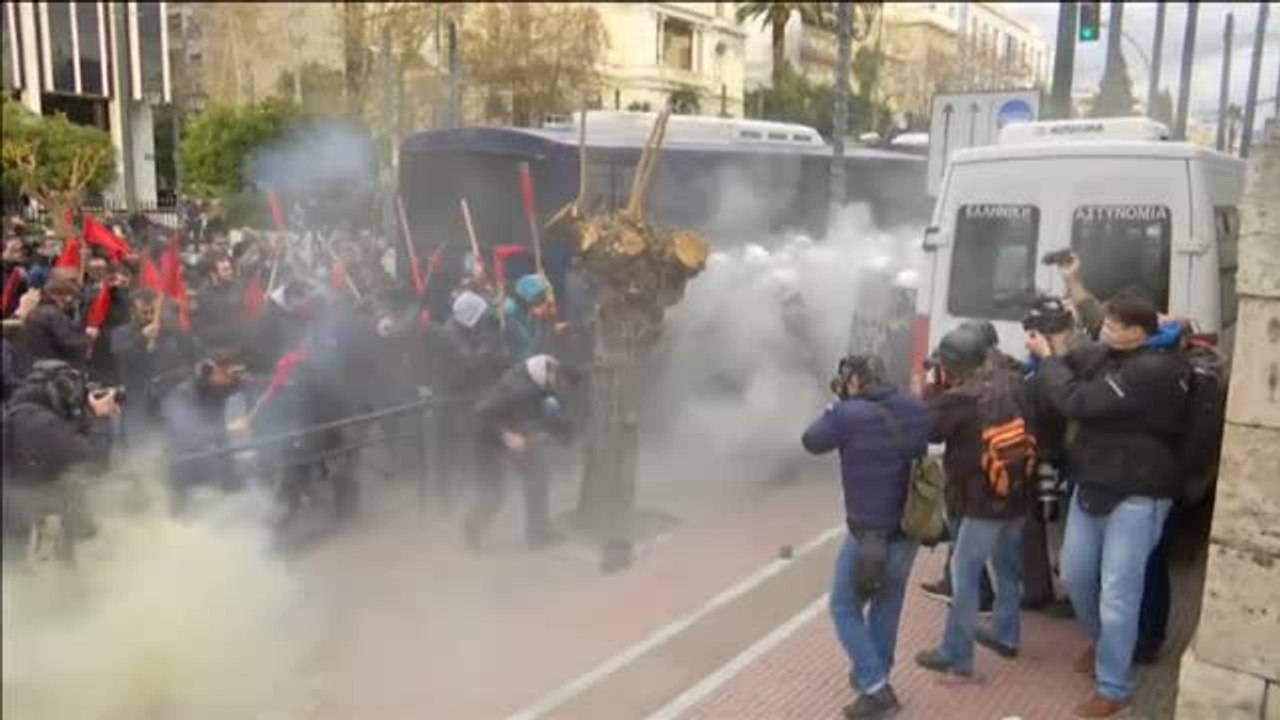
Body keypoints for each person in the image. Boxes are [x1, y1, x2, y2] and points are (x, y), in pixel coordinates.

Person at [1027, 290, 1187, 719]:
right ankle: (1105, 646)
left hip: (1139, 493)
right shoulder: (1108, 355)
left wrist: (1048, 361)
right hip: (1093, 482)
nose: (1106, 329)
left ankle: (1114, 688)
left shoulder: (1156, 370)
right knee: (1076, 574)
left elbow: (1077, 401)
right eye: (1108, 322)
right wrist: (1055, 344)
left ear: (1140, 333)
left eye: (1116, 325)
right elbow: (1073, 366)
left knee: (1119, 594)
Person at [801, 354, 928, 720]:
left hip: (868, 535)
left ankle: (875, 685)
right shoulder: (915, 407)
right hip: (908, 530)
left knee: (844, 607)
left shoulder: (847, 414)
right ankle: (876, 679)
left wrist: (835, 408)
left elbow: (811, 440)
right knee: (887, 604)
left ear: (855, 381)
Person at [915, 324, 1034, 683]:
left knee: (963, 575)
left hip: (981, 501)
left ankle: (957, 655)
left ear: (952, 365)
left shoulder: (960, 399)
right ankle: (1006, 635)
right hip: (1017, 492)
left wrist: (933, 386)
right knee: (1008, 567)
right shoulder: (1013, 381)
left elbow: (929, 430)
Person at [2, 360, 119, 561]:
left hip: (17, 511)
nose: (73, 396)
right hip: (28, 512)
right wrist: (100, 418)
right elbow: (94, 462)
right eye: (70, 389)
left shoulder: (23, 413)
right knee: (71, 486)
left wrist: (85, 417)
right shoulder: (41, 422)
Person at [463, 354, 580, 551]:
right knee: (494, 491)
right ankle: (471, 532)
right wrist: (506, 435)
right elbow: (482, 414)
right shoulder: (516, 387)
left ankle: (537, 534)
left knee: (538, 474)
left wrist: (565, 434)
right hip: (488, 438)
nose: (560, 389)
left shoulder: (545, 380)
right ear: (552, 372)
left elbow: (548, 412)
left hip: (517, 436)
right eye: (560, 384)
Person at [425, 290, 510, 506]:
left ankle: (471, 491)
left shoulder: (466, 329)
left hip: (463, 395)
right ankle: (452, 500)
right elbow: (469, 362)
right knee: (454, 451)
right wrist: (488, 350)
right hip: (449, 399)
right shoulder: (450, 335)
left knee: (467, 447)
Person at [161, 350, 247, 514]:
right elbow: (187, 427)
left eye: (229, 372)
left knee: (225, 450)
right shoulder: (188, 392)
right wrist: (228, 428)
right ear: (211, 372)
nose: (229, 378)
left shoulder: (226, 382)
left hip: (215, 428)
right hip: (183, 438)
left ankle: (230, 486)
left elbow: (242, 385)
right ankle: (179, 507)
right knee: (183, 464)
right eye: (223, 373)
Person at [21, 278, 94, 367]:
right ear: (55, 295)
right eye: (69, 295)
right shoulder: (53, 315)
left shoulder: (36, 312)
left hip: (36, 363)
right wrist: (88, 339)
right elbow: (68, 341)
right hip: (53, 365)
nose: (71, 300)